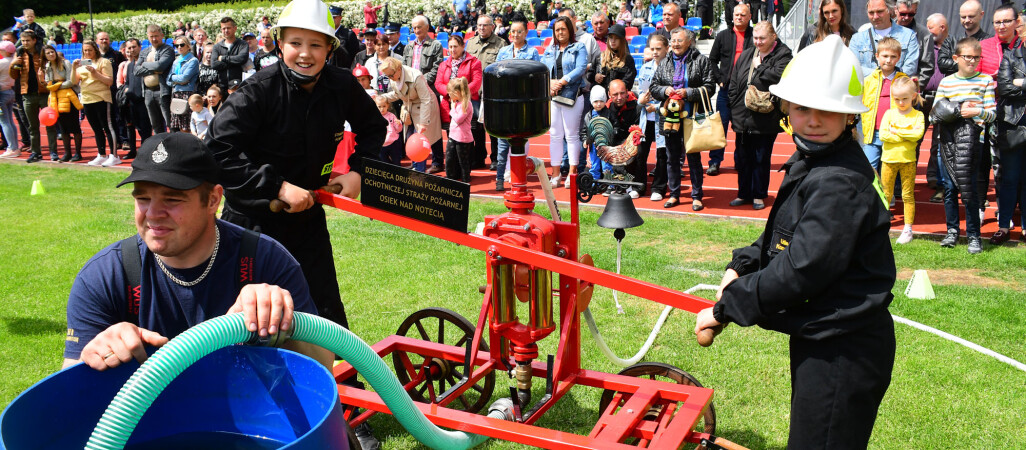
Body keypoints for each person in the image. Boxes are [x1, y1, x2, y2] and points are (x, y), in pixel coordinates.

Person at [696, 35, 896, 449]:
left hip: (844, 346)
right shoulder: (815, 160)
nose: (814, 119)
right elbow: (784, 235)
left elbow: (802, 268)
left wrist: (726, 307)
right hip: (823, 336)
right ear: (786, 108)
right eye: (803, 107)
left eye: (829, 110)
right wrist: (746, 261)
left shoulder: (839, 183)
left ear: (850, 117)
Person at [203, 2, 385, 447]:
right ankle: (244, 417)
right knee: (251, 324)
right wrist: (276, 187)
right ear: (280, 44)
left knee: (326, 313)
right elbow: (219, 150)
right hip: (252, 226)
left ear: (329, 48)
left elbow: (374, 126)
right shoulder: (256, 90)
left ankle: (349, 414)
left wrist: (358, 171)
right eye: (296, 43)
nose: (305, 53)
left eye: (315, 45)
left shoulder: (342, 84)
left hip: (308, 223)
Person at [62, 132, 333, 373]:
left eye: (172, 199)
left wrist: (283, 320)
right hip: (151, 427)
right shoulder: (107, 275)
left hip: (248, 418)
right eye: (143, 198)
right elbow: (70, 394)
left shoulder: (264, 259)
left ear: (213, 200)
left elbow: (323, 364)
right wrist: (96, 355)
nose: (153, 215)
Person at [932, 37, 995, 254]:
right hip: (947, 142)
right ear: (956, 58)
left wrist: (977, 112)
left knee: (970, 191)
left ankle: (974, 236)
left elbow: (992, 114)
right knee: (949, 189)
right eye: (967, 56)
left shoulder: (985, 80)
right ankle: (952, 232)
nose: (972, 61)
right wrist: (958, 109)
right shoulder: (946, 82)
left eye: (976, 57)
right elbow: (934, 113)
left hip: (972, 143)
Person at [727, 21, 791, 211]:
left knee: (761, 158)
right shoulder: (747, 54)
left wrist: (760, 67)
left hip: (766, 117)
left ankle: (759, 195)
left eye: (762, 38)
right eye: (755, 38)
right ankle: (744, 193)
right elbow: (734, 81)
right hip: (742, 115)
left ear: (774, 37)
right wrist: (733, 105)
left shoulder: (784, 54)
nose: (758, 42)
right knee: (743, 158)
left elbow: (779, 77)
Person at [650, 28, 716, 210]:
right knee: (671, 158)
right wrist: (665, 91)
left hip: (693, 117)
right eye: (673, 40)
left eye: (679, 40)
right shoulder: (664, 62)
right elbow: (654, 86)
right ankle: (674, 194)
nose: (675, 44)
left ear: (689, 42)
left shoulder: (701, 61)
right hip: (671, 119)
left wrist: (689, 92)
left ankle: (697, 196)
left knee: (693, 158)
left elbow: (710, 87)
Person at [493, 20, 542, 190]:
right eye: (513, 31)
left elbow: (535, 76)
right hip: (505, 105)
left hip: (523, 105)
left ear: (526, 33)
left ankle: (518, 176)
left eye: (519, 31)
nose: (515, 34)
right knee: (501, 145)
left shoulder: (533, 52)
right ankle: (499, 178)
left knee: (521, 142)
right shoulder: (503, 51)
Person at [542, 16, 589, 188]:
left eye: (563, 29)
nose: (560, 32)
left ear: (570, 30)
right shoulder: (550, 49)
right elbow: (543, 68)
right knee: (554, 135)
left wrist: (562, 81)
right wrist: (550, 83)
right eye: (557, 30)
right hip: (553, 96)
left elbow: (581, 68)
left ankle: (572, 173)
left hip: (572, 96)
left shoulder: (579, 47)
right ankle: (555, 174)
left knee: (571, 135)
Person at [707, 3, 753, 176]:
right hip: (726, 90)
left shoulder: (755, 36)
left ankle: (740, 161)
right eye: (736, 14)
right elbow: (712, 60)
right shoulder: (723, 36)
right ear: (732, 16)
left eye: (743, 15)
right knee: (720, 127)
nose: (739, 17)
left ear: (749, 17)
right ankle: (715, 161)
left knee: (742, 128)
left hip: (746, 91)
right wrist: (719, 79)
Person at [879, 76, 925, 244]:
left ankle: (908, 229)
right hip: (889, 160)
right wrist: (906, 134)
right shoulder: (889, 113)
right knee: (885, 195)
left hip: (908, 161)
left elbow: (917, 135)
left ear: (913, 96)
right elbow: (883, 135)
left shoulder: (918, 115)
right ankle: (881, 226)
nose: (900, 102)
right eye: (896, 98)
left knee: (907, 195)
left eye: (904, 98)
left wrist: (896, 132)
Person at [992, 29, 1026, 245]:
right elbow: (1004, 88)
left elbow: (1014, 86)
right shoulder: (1011, 57)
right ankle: (1004, 226)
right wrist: (1014, 84)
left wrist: (1021, 83)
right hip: (1014, 125)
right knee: (1010, 179)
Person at [380, 56, 443, 172]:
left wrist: (423, 122)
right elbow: (396, 94)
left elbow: (426, 99)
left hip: (426, 106)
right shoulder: (394, 76)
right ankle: (415, 164)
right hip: (410, 107)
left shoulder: (416, 76)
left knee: (419, 139)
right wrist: (381, 97)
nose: (390, 78)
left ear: (399, 69)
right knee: (409, 137)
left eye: (391, 75)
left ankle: (420, 171)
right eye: (387, 76)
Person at [919, 13, 955, 203]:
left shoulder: (953, 46)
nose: (928, 31)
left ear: (943, 27)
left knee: (938, 142)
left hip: (944, 100)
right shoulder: (925, 45)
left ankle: (935, 179)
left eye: (931, 27)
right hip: (924, 97)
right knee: (917, 137)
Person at [859, 37, 908, 173]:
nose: (888, 60)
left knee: (890, 169)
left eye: (893, 56)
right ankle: (872, 193)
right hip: (872, 133)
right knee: (870, 168)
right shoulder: (868, 80)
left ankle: (889, 193)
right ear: (877, 56)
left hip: (894, 133)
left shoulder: (903, 80)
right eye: (885, 56)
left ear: (898, 57)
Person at [466, 14, 506, 170]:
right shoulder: (470, 43)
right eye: (479, 25)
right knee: (475, 128)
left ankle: (495, 158)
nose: (481, 28)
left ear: (492, 27)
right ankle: (479, 157)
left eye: (485, 25)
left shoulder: (501, 44)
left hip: (491, 93)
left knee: (493, 128)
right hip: (474, 93)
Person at [848, 0, 920, 76]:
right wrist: (881, 76)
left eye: (880, 11)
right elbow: (854, 68)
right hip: (868, 87)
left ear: (890, 10)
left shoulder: (908, 36)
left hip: (896, 86)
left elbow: (910, 68)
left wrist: (888, 79)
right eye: (871, 13)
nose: (875, 17)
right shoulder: (857, 39)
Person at [636, 34, 668, 201]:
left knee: (662, 154)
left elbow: (673, 94)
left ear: (666, 49)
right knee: (641, 152)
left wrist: (656, 106)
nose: (655, 52)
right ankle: (639, 185)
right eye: (652, 49)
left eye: (658, 49)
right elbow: (641, 90)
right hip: (645, 117)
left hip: (662, 116)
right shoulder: (645, 67)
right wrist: (641, 100)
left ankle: (659, 188)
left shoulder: (671, 68)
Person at [76, 40, 120, 166]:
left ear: (95, 50)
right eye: (85, 50)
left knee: (108, 127)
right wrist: (74, 69)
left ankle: (114, 155)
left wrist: (95, 73)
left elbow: (109, 81)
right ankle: (101, 154)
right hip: (87, 98)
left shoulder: (104, 62)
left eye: (90, 50)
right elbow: (74, 81)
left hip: (101, 98)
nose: (87, 52)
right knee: (96, 128)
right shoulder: (81, 65)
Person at [7, 30, 47, 163]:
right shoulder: (19, 53)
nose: (25, 43)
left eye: (27, 40)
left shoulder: (41, 51)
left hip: (44, 93)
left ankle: (53, 152)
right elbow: (14, 76)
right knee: (32, 126)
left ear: (34, 40)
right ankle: (36, 152)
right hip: (27, 94)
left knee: (50, 125)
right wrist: (13, 65)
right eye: (23, 41)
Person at [42, 44, 82, 162]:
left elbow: (72, 81)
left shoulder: (66, 64)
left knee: (74, 126)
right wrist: (52, 86)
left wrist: (58, 86)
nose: (51, 54)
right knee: (62, 127)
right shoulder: (47, 67)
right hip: (56, 99)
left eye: (52, 52)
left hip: (70, 97)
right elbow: (48, 84)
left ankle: (78, 153)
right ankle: (67, 153)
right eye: (48, 53)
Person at [435, 34, 482, 133]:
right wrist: (451, 94)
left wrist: (460, 94)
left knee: (473, 137)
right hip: (448, 104)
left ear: (462, 46)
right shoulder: (443, 65)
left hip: (469, 103)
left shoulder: (474, 62)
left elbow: (476, 82)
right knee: (452, 138)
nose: (453, 50)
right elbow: (438, 83)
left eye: (455, 46)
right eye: (450, 47)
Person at [135, 25, 175, 134]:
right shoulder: (144, 52)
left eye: (156, 36)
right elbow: (136, 71)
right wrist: (154, 69)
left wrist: (145, 64)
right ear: (147, 37)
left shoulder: (168, 50)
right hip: (147, 92)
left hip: (162, 91)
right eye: (151, 36)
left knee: (169, 122)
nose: (154, 39)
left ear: (162, 35)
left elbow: (160, 66)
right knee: (155, 124)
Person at [118, 39, 152, 159]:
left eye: (134, 47)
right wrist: (126, 89)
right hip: (131, 102)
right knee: (131, 127)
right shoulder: (130, 64)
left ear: (139, 47)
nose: (132, 50)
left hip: (143, 101)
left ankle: (144, 153)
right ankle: (133, 151)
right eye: (129, 48)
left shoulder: (145, 62)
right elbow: (127, 82)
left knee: (145, 129)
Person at [96, 31, 129, 153]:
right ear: (97, 41)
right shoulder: (95, 56)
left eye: (106, 39)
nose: (104, 41)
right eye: (101, 39)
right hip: (100, 92)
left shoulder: (116, 55)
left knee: (120, 116)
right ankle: (115, 141)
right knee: (106, 119)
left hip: (115, 91)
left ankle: (124, 139)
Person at [939, 0, 992, 69]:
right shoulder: (950, 41)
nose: (966, 20)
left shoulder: (990, 41)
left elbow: (990, 65)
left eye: (971, 16)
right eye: (963, 17)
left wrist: (960, 63)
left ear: (981, 15)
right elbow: (942, 64)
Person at [445, 76, 475, 182]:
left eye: (450, 93)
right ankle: (450, 178)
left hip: (463, 139)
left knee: (463, 162)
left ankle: (465, 180)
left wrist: (452, 109)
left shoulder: (466, 104)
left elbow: (458, 119)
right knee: (449, 159)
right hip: (453, 136)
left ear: (457, 92)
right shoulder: (457, 103)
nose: (449, 95)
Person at [167, 36, 199, 134]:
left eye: (182, 45)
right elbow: (168, 80)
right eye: (177, 45)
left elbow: (184, 78)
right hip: (176, 93)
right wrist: (178, 79)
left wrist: (175, 78)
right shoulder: (176, 61)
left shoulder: (193, 61)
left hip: (187, 94)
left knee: (187, 124)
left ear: (188, 46)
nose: (179, 47)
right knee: (179, 125)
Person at [210, 18, 248, 92]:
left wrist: (223, 58)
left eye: (228, 28)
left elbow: (242, 59)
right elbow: (214, 64)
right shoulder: (217, 47)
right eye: (224, 28)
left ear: (235, 28)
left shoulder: (242, 44)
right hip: (222, 86)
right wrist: (234, 62)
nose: (226, 31)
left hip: (238, 86)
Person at [329, 6, 363, 70]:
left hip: (342, 72)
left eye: (334, 17)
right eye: (329, 18)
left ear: (340, 18)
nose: (331, 20)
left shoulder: (348, 34)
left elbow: (354, 57)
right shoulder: (326, 33)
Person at [375, 95, 403, 165]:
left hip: (393, 143)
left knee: (396, 160)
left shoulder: (391, 116)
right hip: (381, 145)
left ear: (388, 106)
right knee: (384, 161)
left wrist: (398, 124)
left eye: (384, 106)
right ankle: (390, 172)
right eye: (379, 107)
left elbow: (398, 130)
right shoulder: (375, 117)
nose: (382, 109)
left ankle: (398, 173)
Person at [0, 41, 17, 157]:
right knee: (10, 121)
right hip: (11, 91)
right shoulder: (13, 61)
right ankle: (15, 146)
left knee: (4, 121)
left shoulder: (2, 63)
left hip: (1, 94)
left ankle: (12, 148)